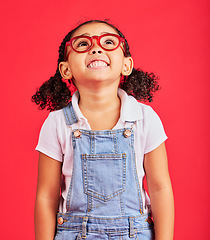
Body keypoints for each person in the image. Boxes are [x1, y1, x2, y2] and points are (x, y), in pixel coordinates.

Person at [32, 19, 174, 240]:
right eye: (82, 44)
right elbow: (46, 196)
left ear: (126, 65)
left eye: (108, 42)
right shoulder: (57, 122)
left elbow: (160, 188)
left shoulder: (145, 118)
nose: (96, 48)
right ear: (66, 69)